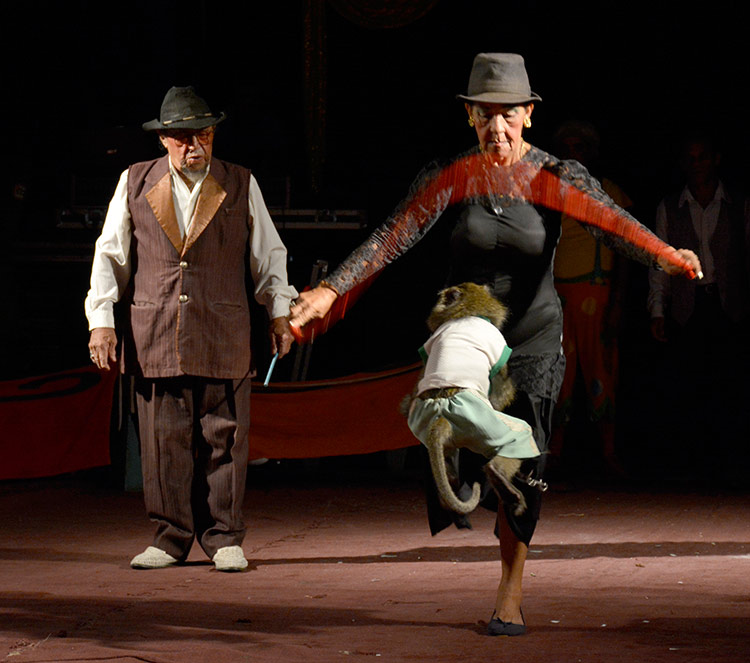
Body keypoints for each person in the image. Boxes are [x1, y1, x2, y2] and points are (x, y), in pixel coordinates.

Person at [289, 53, 701, 635]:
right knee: (461, 454)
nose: (497, 128)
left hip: (533, 337)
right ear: (470, 119)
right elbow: (393, 235)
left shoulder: (558, 177)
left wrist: (666, 254)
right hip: (467, 336)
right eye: (485, 116)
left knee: (523, 467)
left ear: (529, 115)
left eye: (508, 115)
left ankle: (510, 589)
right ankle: (471, 473)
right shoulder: (451, 176)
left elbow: (614, 225)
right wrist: (330, 290)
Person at [85, 86, 297, 571]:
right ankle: (169, 537)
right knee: (164, 439)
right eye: (181, 138)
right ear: (163, 140)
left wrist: (278, 311)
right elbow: (110, 254)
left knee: (225, 436)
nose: (193, 146)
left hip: (222, 329)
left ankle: (224, 537)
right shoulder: (135, 182)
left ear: (214, 133)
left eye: (202, 135)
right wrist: (101, 321)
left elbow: (269, 254)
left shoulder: (239, 182)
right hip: (155, 328)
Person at [647, 134, 749, 480]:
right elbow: (659, 263)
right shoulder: (670, 206)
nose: (697, 164)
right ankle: (693, 467)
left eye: (702, 156)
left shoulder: (737, 204)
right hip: (689, 307)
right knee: (690, 388)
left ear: (716, 159)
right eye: (690, 158)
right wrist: (657, 310)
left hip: (728, 306)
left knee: (730, 386)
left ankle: (730, 464)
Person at [550, 120, 633, 477]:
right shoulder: (550, 190)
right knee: (558, 375)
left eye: (579, 148)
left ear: (592, 154)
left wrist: (617, 302)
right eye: (566, 148)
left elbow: (628, 248)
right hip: (558, 297)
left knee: (602, 373)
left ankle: (609, 452)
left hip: (597, 293)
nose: (573, 155)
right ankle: (553, 452)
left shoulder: (609, 191)